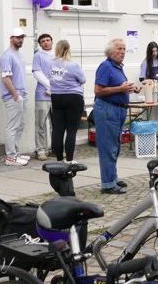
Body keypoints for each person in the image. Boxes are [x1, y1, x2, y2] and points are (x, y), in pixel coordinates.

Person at [94, 38, 140, 194]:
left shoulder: (117, 67)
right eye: (119, 49)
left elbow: (118, 87)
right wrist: (120, 89)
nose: (122, 52)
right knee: (108, 147)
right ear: (110, 51)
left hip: (118, 109)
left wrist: (129, 89)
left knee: (115, 146)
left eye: (124, 49)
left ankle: (112, 178)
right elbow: (98, 91)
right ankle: (108, 184)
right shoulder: (106, 66)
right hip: (108, 110)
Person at [49, 40, 86, 164]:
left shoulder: (51, 64)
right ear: (68, 49)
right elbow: (83, 79)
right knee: (71, 130)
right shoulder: (72, 65)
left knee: (58, 129)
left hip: (56, 97)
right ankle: (69, 159)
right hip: (73, 97)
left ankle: (59, 159)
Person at [0, 28, 30, 166]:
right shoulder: (7, 55)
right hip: (13, 96)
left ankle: (15, 153)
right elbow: (6, 78)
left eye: (22, 37)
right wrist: (15, 95)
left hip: (21, 94)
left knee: (20, 125)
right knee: (13, 126)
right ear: (11, 38)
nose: (21, 40)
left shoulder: (18, 54)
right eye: (18, 37)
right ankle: (11, 157)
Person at [31, 33, 54, 161]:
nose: (46, 42)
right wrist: (50, 86)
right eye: (43, 41)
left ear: (51, 42)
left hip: (56, 95)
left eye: (48, 40)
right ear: (40, 44)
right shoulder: (38, 55)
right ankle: (41, 150)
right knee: (41, 124)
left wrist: (55, 88)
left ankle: (55, 149)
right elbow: (37, 72)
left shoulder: (57, 55)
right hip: (42, 94)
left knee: (56, 124)